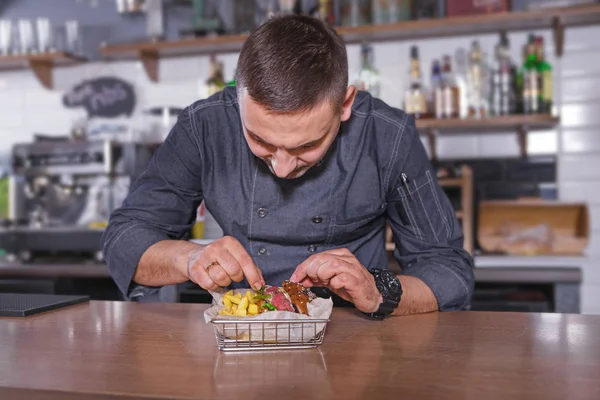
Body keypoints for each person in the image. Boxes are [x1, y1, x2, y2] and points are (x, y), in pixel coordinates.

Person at [102, 15, 474, 318]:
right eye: (261, 141)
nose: (281, 169)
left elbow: (449, 269)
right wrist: (191, 257)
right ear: (238, 99)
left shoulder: (387, 135)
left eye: (306, 146)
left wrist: (379, 291)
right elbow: (124, 238)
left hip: (359, 342)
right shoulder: (204, 126)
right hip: (241, 338)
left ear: (344, 106)